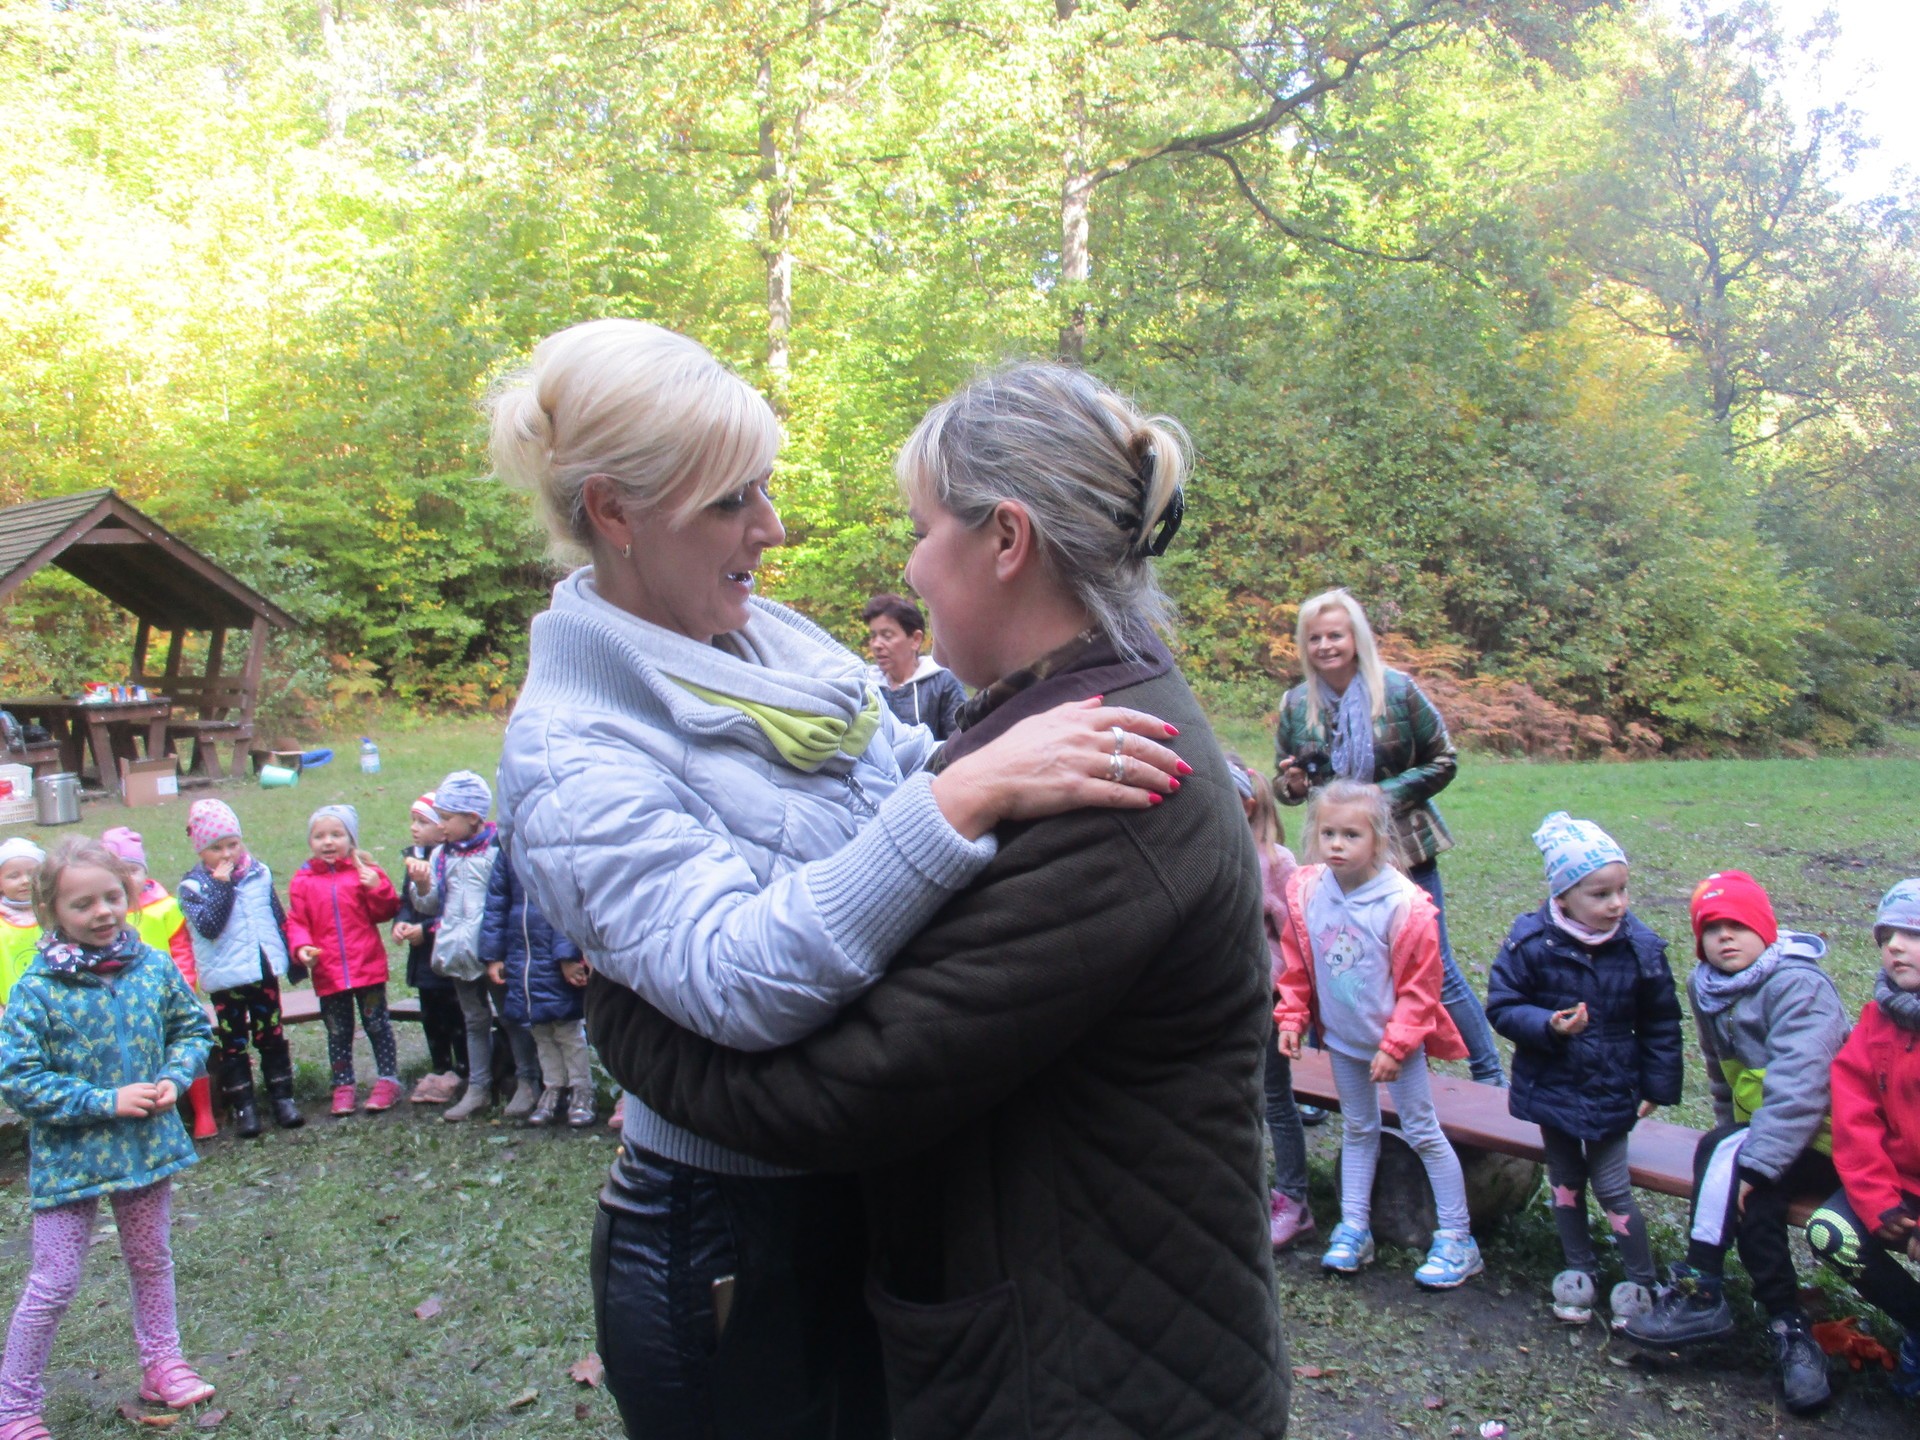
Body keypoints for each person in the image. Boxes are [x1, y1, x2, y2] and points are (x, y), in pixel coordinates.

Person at [487, 322, 1223, 1439]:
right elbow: (735, 975)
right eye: (732, 500)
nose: (771, 527)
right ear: (616, 512)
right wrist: (960, 796)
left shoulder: (778, 651)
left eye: (763, 487)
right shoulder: (571, 746)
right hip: (731, 1244)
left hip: (862, 1207)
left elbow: (907, 791)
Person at [0, 835, 217, 1434]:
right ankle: (13, 1404)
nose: (101, 912)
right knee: (54, 1282)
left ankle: (162, 1365)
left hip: (146, 1150)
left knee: (151, 1259)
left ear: (128, 893)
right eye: (82, 904)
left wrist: (175, 1076)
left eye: (112, 897)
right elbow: (19, 1080)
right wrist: (104, 1101)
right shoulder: (37, 989)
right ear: (50, 911)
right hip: (70, 1161)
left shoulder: (153, 967)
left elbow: (191, 1029)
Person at [1623, 870, 1850, 1414]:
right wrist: (1741, 1154)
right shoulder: (1709, 988)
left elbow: (1802, 1088)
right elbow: (1723, 1076)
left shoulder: (1799, 986)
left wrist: (1753, 1162)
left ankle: (1701, 1287)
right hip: (1764, 1141)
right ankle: (1790, 1328)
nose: (1724, 936)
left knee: (1729, 1160)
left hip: (1829, 1140)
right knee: (1751, 1196)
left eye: (1738, 925)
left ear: (1765, 929)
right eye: (1711, 927)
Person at [1273, 588, 1503, 1085]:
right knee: (1330, 962)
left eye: (1336, 635)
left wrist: (1377, 799)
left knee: (1434, 965)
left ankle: (1489, 1075)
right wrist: (1292, 784)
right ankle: (1326, 1080)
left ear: (1356, 638)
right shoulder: (1296, 704)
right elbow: (1288, 785)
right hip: (1336, 858)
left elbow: (1444, 760)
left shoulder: (1397, 691)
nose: (1326, 646)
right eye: (1315, 638)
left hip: (1404, 847)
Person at [1276, 779, 1482, 1289]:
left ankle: (1458, 1238)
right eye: (1328, 833)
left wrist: (1396, 1046)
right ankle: (1354, 1227)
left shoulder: (1403, 905)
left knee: (1422, 1131)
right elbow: (1298, 964)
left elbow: (1420, 989)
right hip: (1343, 1040)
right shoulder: (1308, 890)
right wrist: (1292, 1017)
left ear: (1379, 838)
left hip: (1397, 1046)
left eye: (1351, 835)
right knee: (1358, 1128)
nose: (1337, 845)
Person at [1485, 813, 1682, 1330]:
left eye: (1622, 890)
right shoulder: (1531, 942)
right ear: (1564, 895)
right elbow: (1503, 1005)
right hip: (1553, 1085)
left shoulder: (1640, 948)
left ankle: (1640, 1279)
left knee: (1613, 1186)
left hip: (1613, 1087)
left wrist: (1657, 1085)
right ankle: (1579, 1268)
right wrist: (1548, 1024)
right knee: (1566, 1181)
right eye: (1601, 894)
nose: (1617, 904)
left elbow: (1661, 1021)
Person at [1806, 879, 1920, 1399]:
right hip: (1895, 1185)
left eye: (1912, 934)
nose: (1894, 945)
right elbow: (1855, 1121)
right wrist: (1878, 1202)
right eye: (1886, 935)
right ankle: (1916, 1321)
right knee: (1830, 1232)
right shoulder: (1878, 1019)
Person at [177, 800, 304, 1137]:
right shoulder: (192, 887)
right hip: (226, 978)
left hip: (262, 971)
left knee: (271, 1034)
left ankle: (282, 1098)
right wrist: (221, 886)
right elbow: (209, 927)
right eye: (216, 848)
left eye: (232, 844)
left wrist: (290, 957)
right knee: (233, 1043)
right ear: (201, 850)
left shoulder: (258, 873)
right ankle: (244, 1106)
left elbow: (275, 915)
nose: (226, 854)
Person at [1229, 752, 1313, 1250]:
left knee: (1276, 1099)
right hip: (1226, 998)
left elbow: (1295, 936)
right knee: (1237, 1095)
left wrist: (1281, 988)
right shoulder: (1213, 849)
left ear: (1246, 803)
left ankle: (1294, 1200)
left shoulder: (1276, 862)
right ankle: (1246, 1190)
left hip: (1270, 998)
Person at [286, 805, 403, 1117]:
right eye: (319, 836)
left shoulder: (365, 873)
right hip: (328, 971)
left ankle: (388, 1079)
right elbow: (297, 921)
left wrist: (376, 888)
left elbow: (385, 911)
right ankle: (343, 1085)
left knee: (377, 1024)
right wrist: (302, 947)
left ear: (351, 839)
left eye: (336, 834)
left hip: (367, 967)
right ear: (310, 841)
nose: (328, 841)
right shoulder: (303, 880)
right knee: (337, 1030)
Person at [102, 828, 218, 1143]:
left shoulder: (164, 906)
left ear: (145, 871)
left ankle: (203, 1111)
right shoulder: (106, 915)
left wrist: (184, 986)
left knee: (184, 1050)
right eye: (118, 874)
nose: (128, 879)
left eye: (133, 870)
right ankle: (156, 1116)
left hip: (168, 996)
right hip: (126, 1003)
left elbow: (182, 950)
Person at [411, 771, 514, 1123]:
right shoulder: (442, 854)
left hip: (493, 953)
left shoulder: (499, 849)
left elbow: (507, 899)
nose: (440, 825)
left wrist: (499, 949)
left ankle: (528, 1082)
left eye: (445, 818)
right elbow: (431, 905)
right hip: (457, 952)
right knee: (474, 1020)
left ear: (472, 817)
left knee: (511, 1017)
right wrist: (422, 886)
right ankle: (478, 1087)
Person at [481, 847, 595, 1128]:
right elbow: (496, 903)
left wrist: (567, 956)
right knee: (540, 1030)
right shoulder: (508, 851)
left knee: (567, 1030)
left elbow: (567, 905)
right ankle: (553, 1087)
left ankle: (582, 1090)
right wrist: (494, 955)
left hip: (552, 958)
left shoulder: (556, 846)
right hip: (521, 959)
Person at [395, 793, 466, 1104]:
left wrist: (425, 929)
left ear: (443, 828)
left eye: (423, 822)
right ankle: (439, 1067)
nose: (415, 827)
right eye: (414, 820)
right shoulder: (414, 858)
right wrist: (402, 922)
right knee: (431, 1014)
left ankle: (464, 1068)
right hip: (423, 958)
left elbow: (453, 906)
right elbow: (406, 900)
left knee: (457, 1014)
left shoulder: (450, 859)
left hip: (448, 952)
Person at [863, 592, 966, 739]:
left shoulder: (942, 683)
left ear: (916, 639)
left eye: (887, 636)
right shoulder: (867, 687)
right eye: (873, 636)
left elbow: (960, 741)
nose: (876, 644)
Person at [0, 839, 44, 1007]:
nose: (25, 880)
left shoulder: (54, 914)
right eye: (14, 876)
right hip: (9, 1008)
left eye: (32, 874)